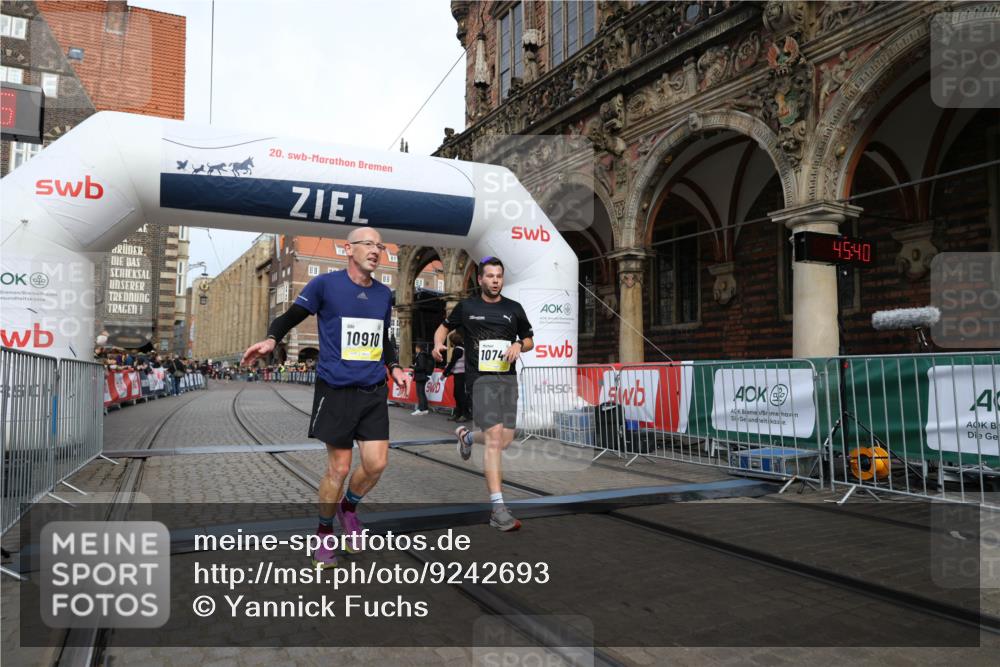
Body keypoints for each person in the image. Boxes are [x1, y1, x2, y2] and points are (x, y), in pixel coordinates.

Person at [242, 227, 410, 568]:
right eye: (368, 245)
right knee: (340, 467)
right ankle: (323, 534)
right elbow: (290, 316)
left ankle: (348, 509)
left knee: (376, 464)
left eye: (380, 246)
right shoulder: (324, 285)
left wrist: (393, 366)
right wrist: (272, 339)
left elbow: (384, 338)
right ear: (349, 249)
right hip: (336, 389)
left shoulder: (383, 294)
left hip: (373, 389)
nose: (376, 251)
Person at [433, 256, 534, 532]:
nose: (495, 280)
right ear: (480, 280)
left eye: (499, 276)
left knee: (504, 441)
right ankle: (498, 508)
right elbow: (444, 327)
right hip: (480, 380)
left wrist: (518, 345)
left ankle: (466, 437)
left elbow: (529, 339)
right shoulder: (467, 307)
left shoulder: (514, 309)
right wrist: (437, 345)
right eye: (490, 276)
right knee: (493, 440)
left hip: (507, 380)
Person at [442, 330, 469, 422]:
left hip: (460, 375)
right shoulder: (463, 348)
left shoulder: (457, 349)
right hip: (460, 374)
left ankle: (464, 414)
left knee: (459, 394)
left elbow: (452, 363)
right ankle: (459, 413)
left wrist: (444, 374)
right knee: (457, 394)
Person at [411, 343, 433, 416]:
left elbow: (421, 367)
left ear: (419, 348)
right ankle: (424, 408)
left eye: (416, 348)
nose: (415, 349)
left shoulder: (421, 355)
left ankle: (421, 409)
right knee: (421, 392)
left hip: (420, 376)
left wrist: (414, 367)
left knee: (420, 393)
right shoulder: (423, 355)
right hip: (422, 376)